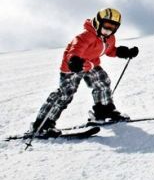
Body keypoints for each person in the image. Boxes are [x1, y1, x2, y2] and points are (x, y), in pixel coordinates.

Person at [30, 8, 139, 137]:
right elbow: (75, 50)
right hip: (74, 66)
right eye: (106, 26)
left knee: (103, 82)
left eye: (113, 27)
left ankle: (103, 111)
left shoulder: (109, 38)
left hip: (91, 64)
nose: (109, 30)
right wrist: (74, 61)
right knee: (65, 94)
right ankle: (42, 124)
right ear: (98, 22)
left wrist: (123, 52)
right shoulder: (85, 36)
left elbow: (109, 50)